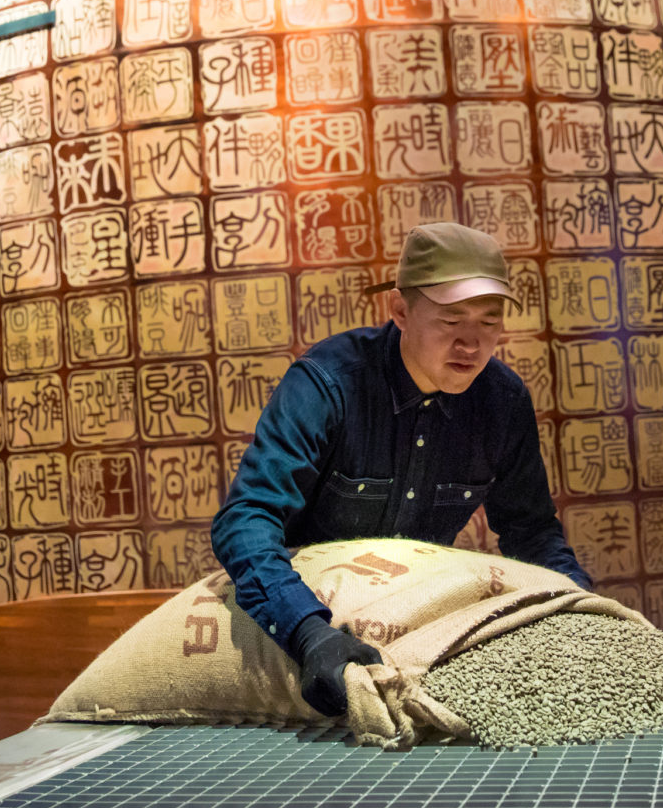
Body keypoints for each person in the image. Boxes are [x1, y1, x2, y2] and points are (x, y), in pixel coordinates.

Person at [210, 222, 589, 718]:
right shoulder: (327, 384)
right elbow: (246, 518)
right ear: (400, 311)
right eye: (452, 321)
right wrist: (308, 632)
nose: (471, 344)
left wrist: (584, 609)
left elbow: (532, 532)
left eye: (489, 322)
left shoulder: (503, 401)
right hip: (310, 616)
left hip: (418, 619)